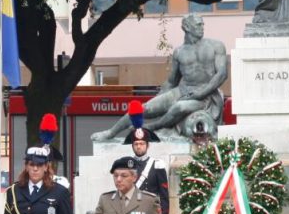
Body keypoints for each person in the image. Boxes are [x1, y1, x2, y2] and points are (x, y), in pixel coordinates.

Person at [91, 13, 227, 140]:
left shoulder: (216, 46)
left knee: (179, 107)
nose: (202, 27)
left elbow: (222, 74)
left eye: (202, 24)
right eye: (198, 24)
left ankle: (153, 126)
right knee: (143, 108)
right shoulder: (179, 52)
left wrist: (199, 93)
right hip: (182, 91)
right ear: (186, 27)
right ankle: (111, 132)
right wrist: (159, 100)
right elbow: (171, 81)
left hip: (206, 97)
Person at [0, 144, 74, 214]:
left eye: (39, 165)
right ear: (26, 167)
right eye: (32, 164)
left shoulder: (60, 192)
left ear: (46, 167)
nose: (35, 169)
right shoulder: (14, 191)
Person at [85, 156, 167, 214]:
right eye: (116, 176)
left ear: (134, 177)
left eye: (124, 176)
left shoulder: (149, 201)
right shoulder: (105, 200)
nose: (118, 179)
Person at [121, 100, 169, 214]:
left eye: (142, 143)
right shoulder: (126, 165)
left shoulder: (157, 165)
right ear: (132, 146)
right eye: (136, 143)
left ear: (148, 146)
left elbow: (164, 194)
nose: (138, 146)